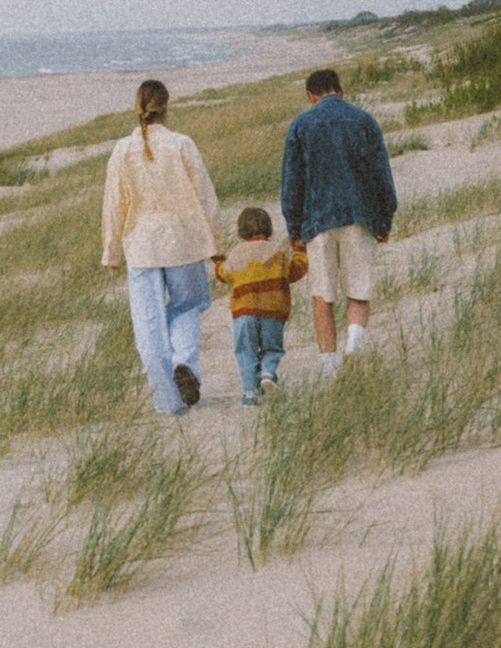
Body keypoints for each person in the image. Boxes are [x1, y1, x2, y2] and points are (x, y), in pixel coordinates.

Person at [100, 79, 222, 414]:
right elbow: (205, 197)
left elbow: (113, 204)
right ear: (166, 107)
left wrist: (111, 251)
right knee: (187, 305)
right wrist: (217, 245)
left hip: (141, 245)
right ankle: (184, 362)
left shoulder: (122, 149)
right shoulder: (182, 144)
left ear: (136, 108)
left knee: (148, 321)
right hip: (183, 240)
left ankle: (169, 402)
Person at [278, 63, 398, 362]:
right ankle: (354, 349)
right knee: (358, 288)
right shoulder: (364, 120)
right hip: (360, 217)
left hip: (317, 221)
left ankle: (330, 369)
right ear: (341, 91)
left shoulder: (301, 125)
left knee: (323, 297)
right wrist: (385, 220)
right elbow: (382, 175)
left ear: (311, 96)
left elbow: (292, 183)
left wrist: (294, 229)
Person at [215, 203, 308, 406]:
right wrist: (300, 251)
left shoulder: (237, 253)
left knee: (245, 351)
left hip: (244, 312)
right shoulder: (277, 253)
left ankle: (250, 393)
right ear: (269, 228)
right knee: (272, 348)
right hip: (273, 310)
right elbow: (296, 271)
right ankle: (267, 373)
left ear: (241, 231)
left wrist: (217, 261)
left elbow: (224, 273)